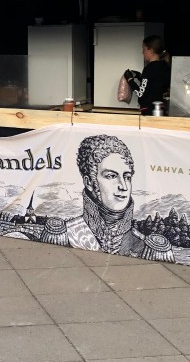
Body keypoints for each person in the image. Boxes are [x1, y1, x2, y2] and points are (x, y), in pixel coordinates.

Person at [35, 134, 175, 262]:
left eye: (127, 177)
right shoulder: (64, 235)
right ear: (89, 182)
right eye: (111, 176)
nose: (123, 186)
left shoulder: (147, 247)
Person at [125, 35, 170, 115]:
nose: (142, 52)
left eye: (144, 49)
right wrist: (140, 76)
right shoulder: (165, 67)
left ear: (151, 50)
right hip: (161, 110)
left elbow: (141, 94)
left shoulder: (149, 69)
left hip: (149, 112)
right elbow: (154, 86)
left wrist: (130, 80)